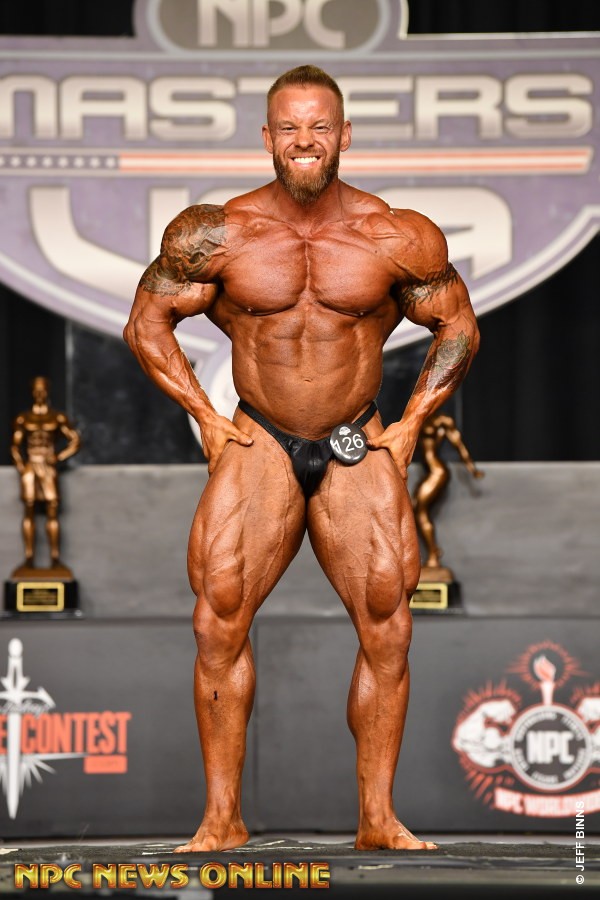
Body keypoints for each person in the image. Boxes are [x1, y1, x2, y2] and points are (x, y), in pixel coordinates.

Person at [124, 65, 479, 852]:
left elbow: (457, 325)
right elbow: (146, 323)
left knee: (388, 623)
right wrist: (205, 417)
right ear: (268, 137)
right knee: (218, 617)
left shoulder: (396, 235)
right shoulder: (219, 232)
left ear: (344, 134)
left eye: (319, 126)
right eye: (290, 127)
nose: (305, 140)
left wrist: (412, 423)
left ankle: (378, 819)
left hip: (356, 437)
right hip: (261, 437)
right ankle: (221, 819)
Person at [11, 376, 80, 568]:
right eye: (36, 390)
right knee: (29, 508)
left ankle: (55, 557)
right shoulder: (24, 418)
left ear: (47, 391)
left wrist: (58, 457)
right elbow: (15, 447)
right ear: (32, 392)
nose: (40, 393)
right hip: (31, 464)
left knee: (52, 508)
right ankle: (29, 557)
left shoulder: (56, 417)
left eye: (42, 389)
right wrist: (21, 466)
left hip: (48, 465)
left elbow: (75, 441)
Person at [413, 413, 484, 569]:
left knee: (420, 511)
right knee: (416, 509)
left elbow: (459, 445)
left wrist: (472, 469)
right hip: (429, 471)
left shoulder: (442, 421)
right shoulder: (417, 415)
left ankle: (433, 555)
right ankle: (432, 552)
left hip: (437, 471)